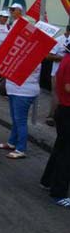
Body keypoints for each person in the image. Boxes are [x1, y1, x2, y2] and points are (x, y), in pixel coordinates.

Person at [41, 42, 70, 207]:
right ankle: (59, 192)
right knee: (66, 154)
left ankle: (47, 180)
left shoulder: (66, 58)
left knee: (60, 148)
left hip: (63, 109)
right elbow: (67, 86)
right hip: (67, 110)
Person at [0, 65, 41, 159]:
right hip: (14, 90)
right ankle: (12, 142)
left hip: (23, 92)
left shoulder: (33, 59)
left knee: (20, 121)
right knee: (15, 119)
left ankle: (21, 149)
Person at [46, 25, 70, 126]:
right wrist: (64, 58)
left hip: (68, 75)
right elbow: (48, 56)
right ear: (67, 31)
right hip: (57, 73)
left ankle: (61, 118)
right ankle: (51, 117)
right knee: (56, 95)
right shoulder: (58, 40)